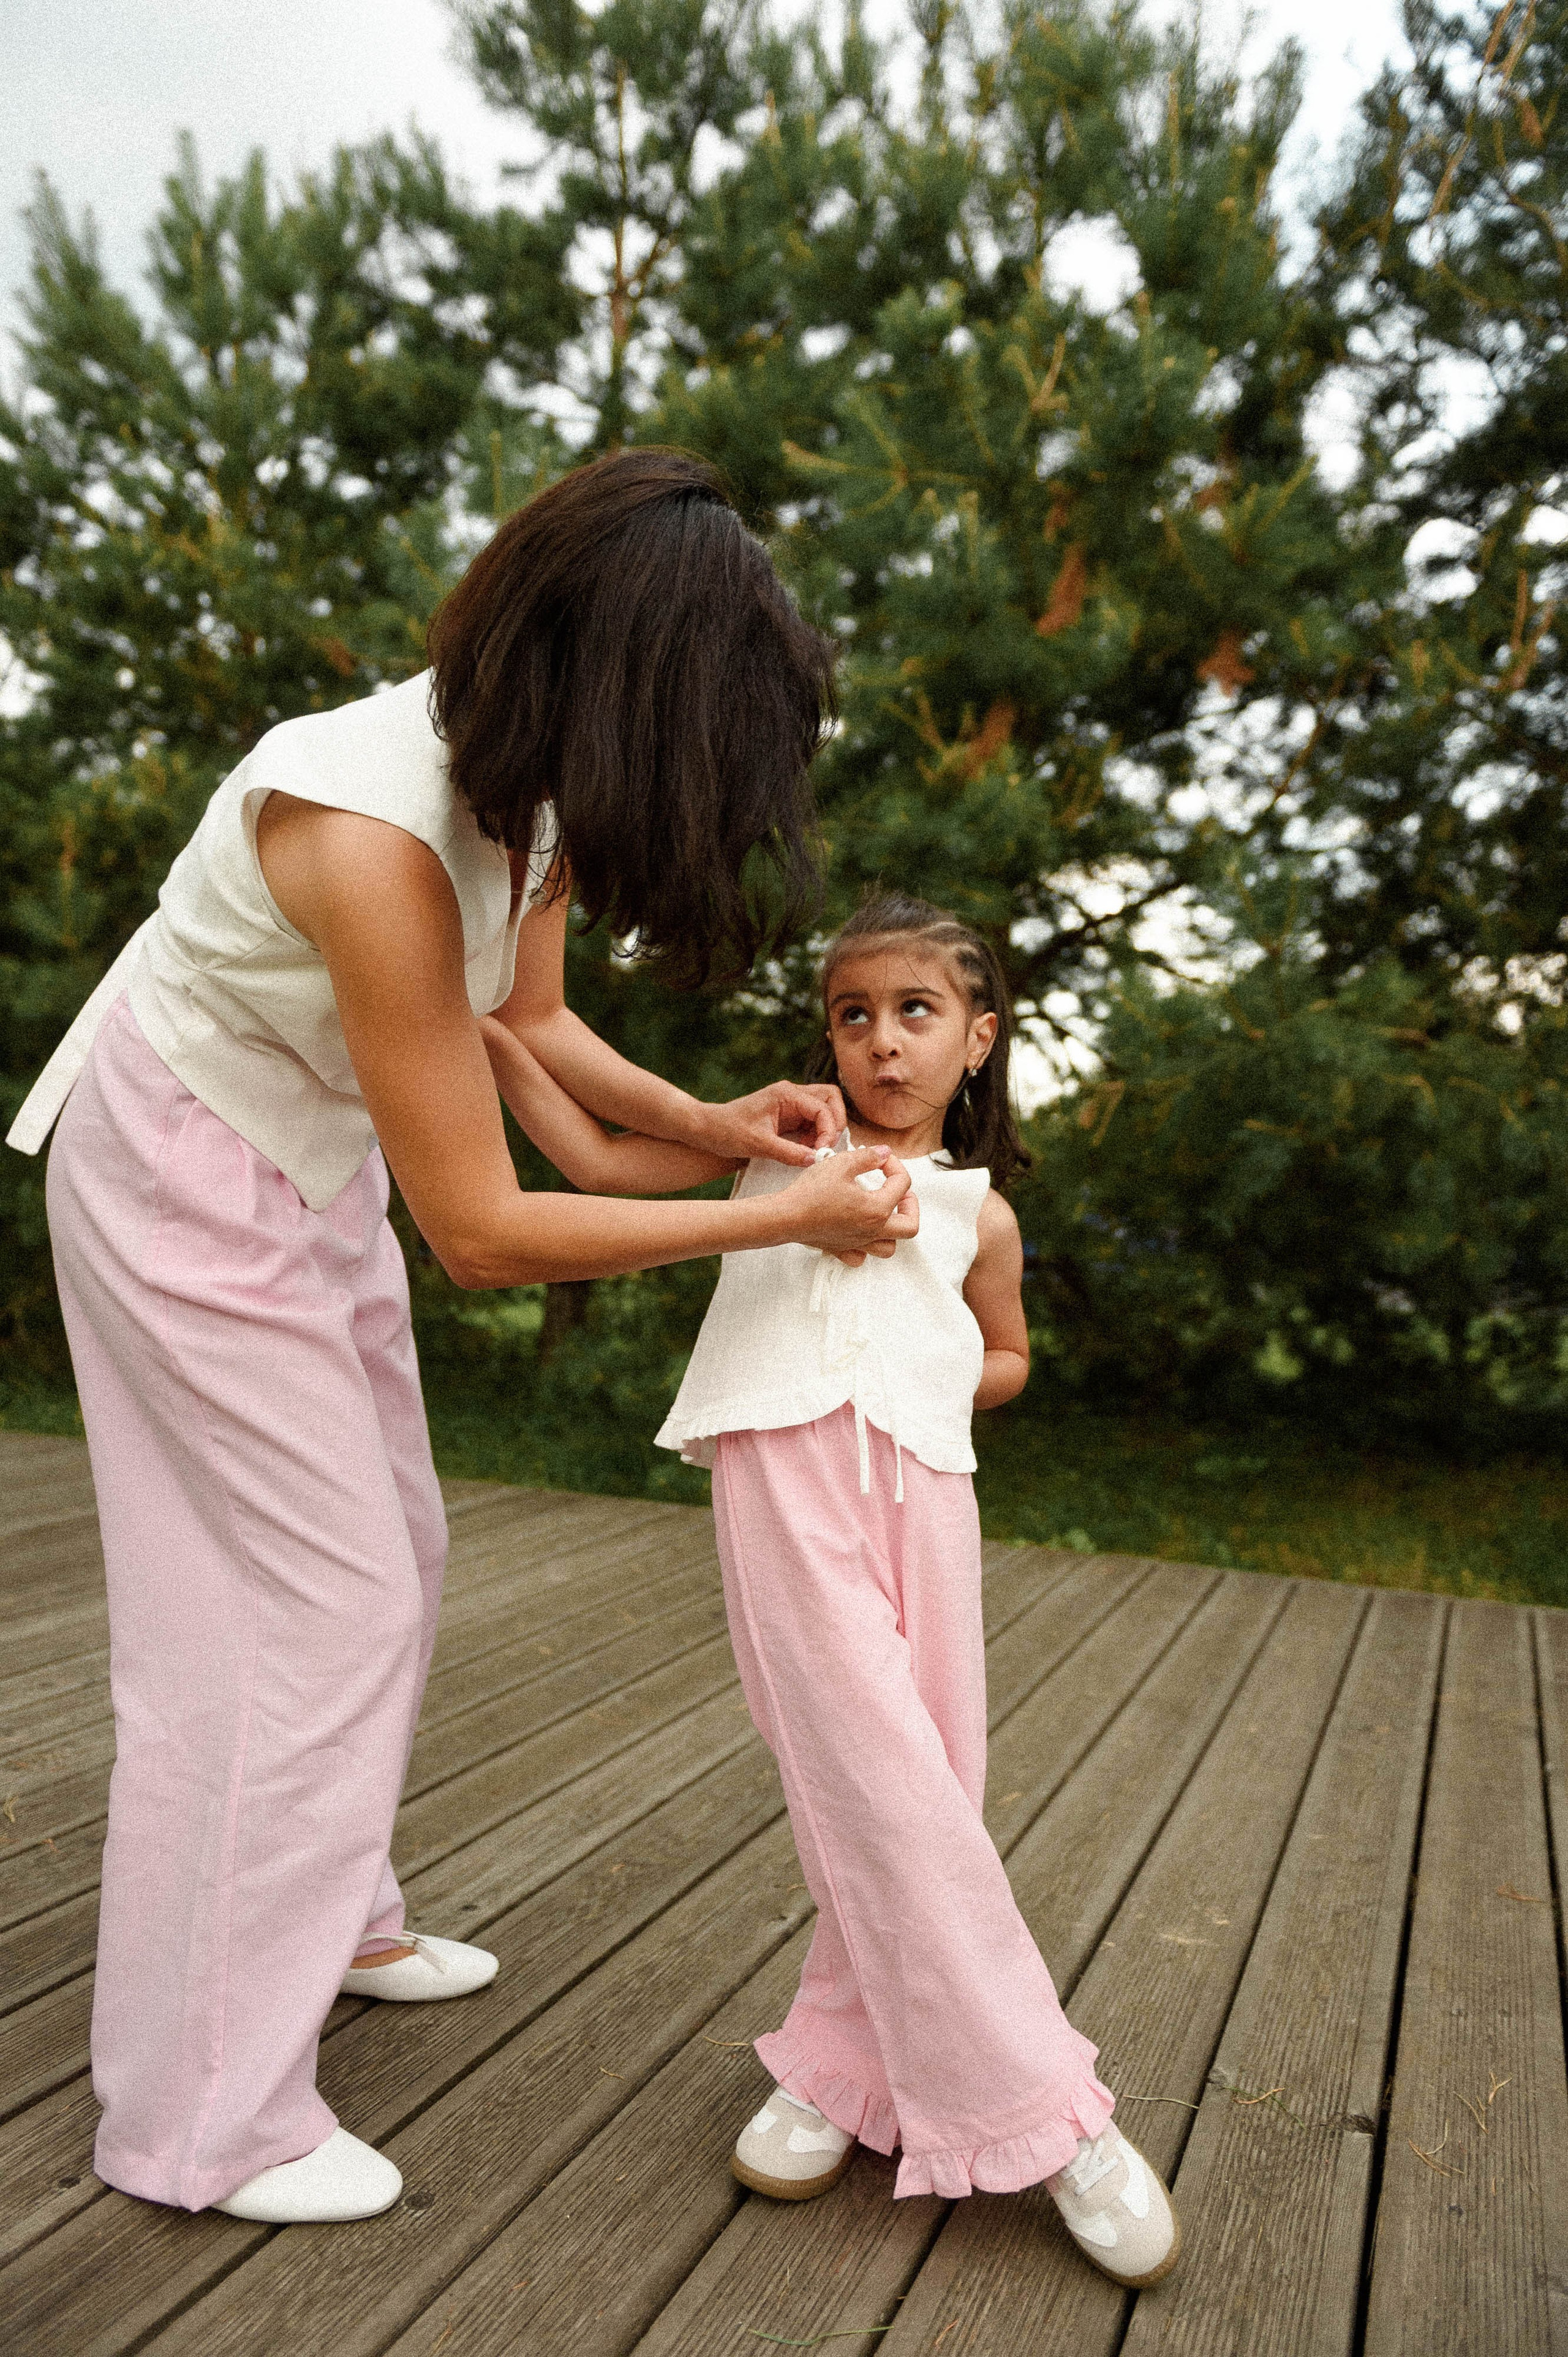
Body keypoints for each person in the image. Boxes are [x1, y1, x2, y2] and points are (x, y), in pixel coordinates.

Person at [5, 450, 919, 2226]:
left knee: (392, 1553)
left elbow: (541, 1040)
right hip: (182, 1161)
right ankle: (203, 2119)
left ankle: (327, 1920)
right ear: (616, 685)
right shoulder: (363, 831)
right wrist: (779, 1213)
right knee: (303, 1606)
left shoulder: (531, 788)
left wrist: (725, 1127)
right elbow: (491, 1229)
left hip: (309, 1145)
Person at [484, 890, 1181, 2290]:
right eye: (852, 1014)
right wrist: (484, 1021)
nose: (879, 1041)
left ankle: (835, 2068)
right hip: (784, 1469)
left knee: (929, 1776)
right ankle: (1051, 2115)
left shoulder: (979, 1216)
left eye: (914, 1013)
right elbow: (591, 1155)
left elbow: (1005, 1357)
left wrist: (934, 1380)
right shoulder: (781, 1145)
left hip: (924, 1487)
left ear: (976, 1039)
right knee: (875, 1775)